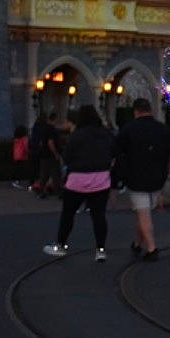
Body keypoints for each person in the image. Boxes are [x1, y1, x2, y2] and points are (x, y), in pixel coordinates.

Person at [42, 105, 115, 260]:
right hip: (100, 179)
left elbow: (67, 156)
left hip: (78, 180)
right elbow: (113, 152)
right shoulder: (105, 134)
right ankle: (100, 250)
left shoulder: (77, 135)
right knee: (99, 217)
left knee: (68, 215)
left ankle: (61, 245)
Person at [113, 96, 170, 262]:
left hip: (135, 177)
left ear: (135, 111)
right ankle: (137, 243)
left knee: (143, 213)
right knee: (144, 213)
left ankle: (151, 248)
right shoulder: (163, 130)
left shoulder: (127, 130)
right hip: (157, 178)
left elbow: (117, 154)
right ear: (151, 110)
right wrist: (166, 171)